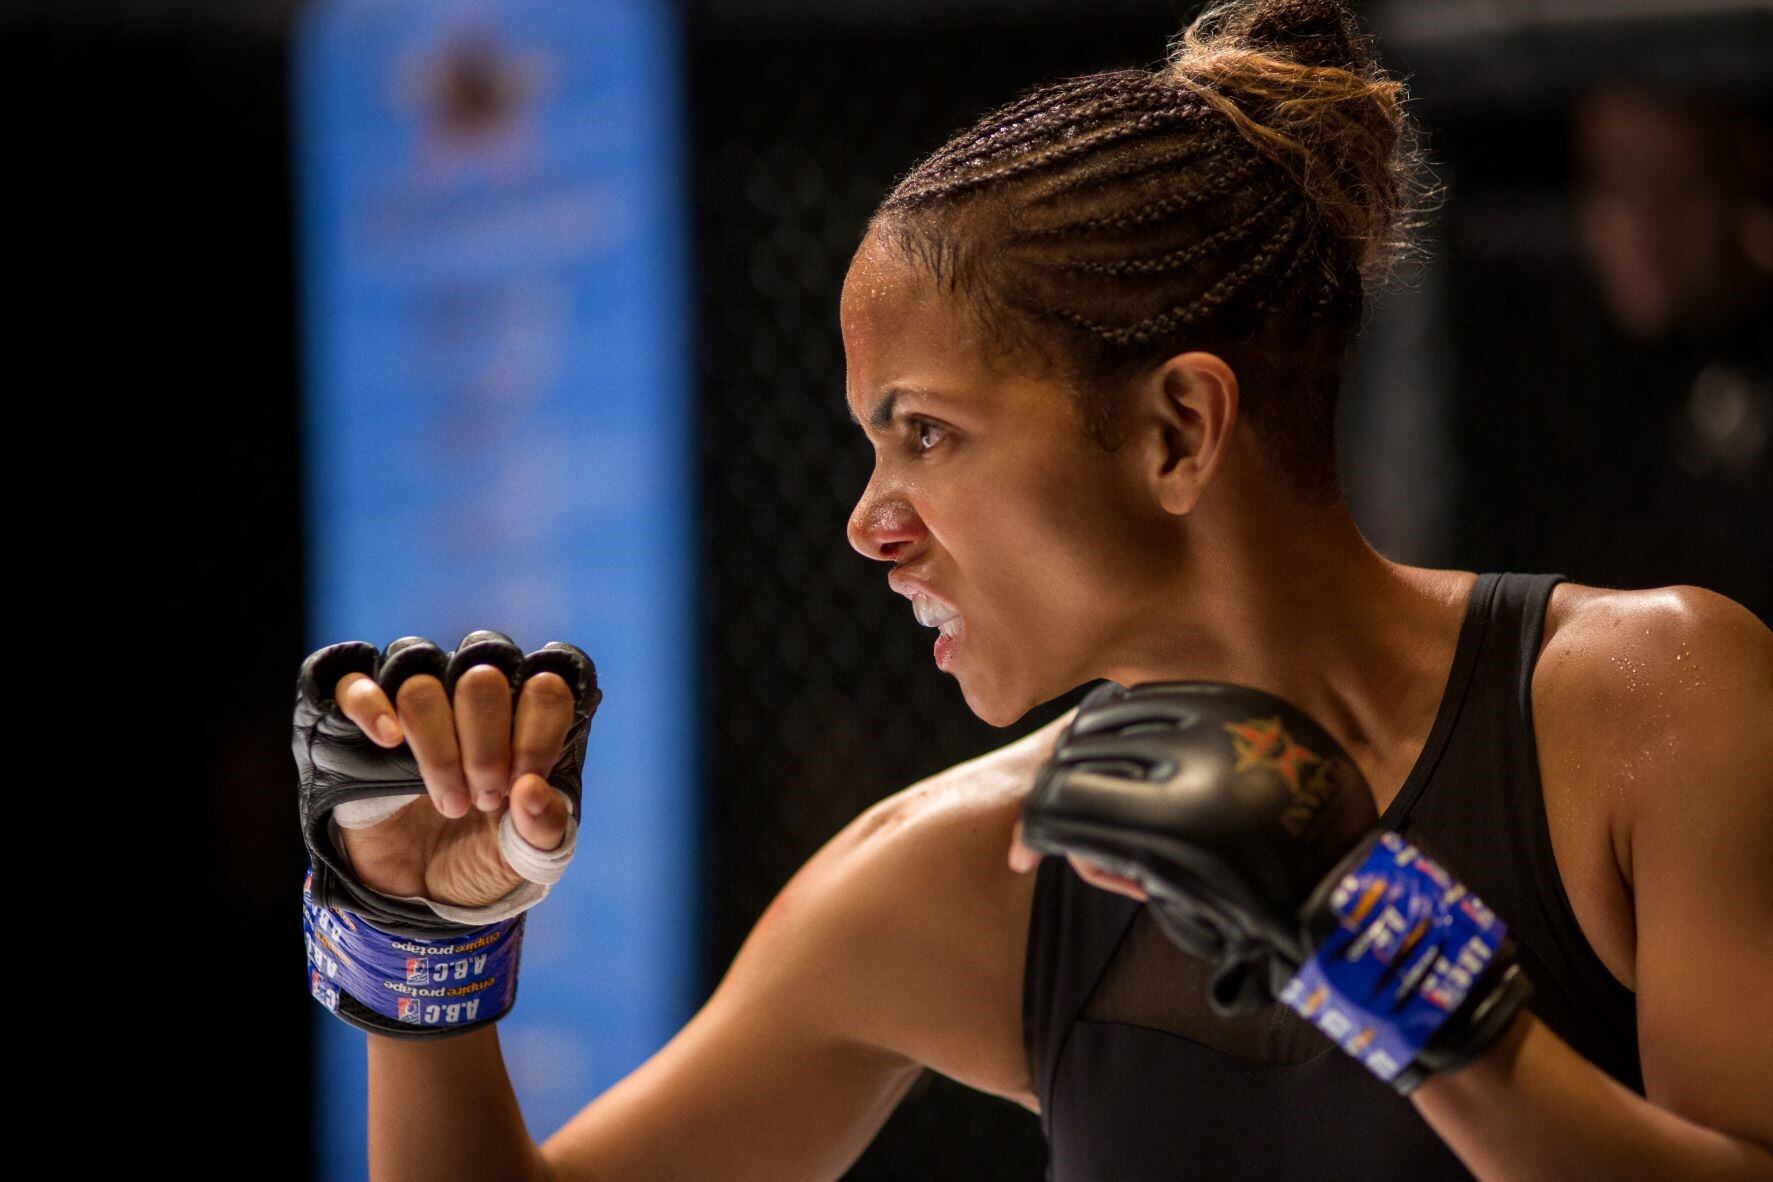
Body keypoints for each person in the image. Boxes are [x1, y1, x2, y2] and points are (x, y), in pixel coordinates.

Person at [302, 1, 1773, 1178]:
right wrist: (417, 940)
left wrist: (1390, 961)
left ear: (1175, 430)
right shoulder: (961, 876)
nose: (871, 526)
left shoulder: (1644, 704)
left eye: (922, 433)